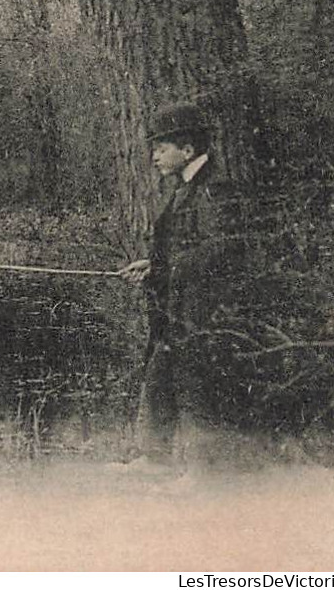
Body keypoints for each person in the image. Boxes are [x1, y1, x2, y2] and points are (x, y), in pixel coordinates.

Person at [116, 102, 218, 461]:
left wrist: (160, 270)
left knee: (187, 390)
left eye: (161, 149)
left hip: (195, 316)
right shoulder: (187, 188)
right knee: (161, 381)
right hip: (175, 314)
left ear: (187, 150)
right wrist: (153, 264)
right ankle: (152, 460)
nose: (154, 158)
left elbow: (211, 254)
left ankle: (181, 469)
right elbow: (184, 249)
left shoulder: (210, 190)